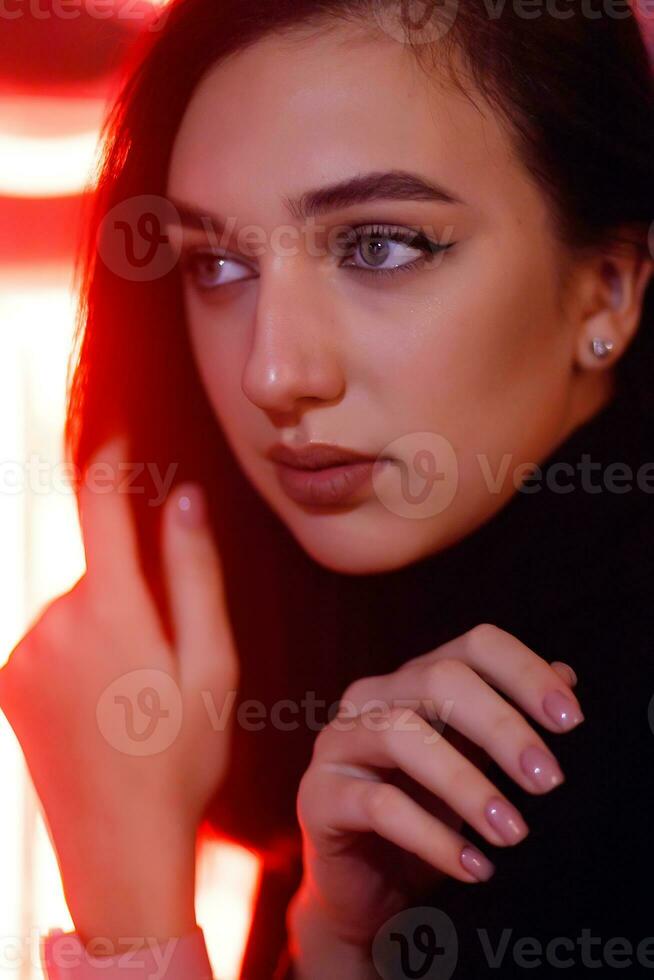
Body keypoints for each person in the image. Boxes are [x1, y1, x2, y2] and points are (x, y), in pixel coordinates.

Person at [0, 0, 653, 977]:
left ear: (606, 285)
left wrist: (131, 901)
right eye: (218, 262)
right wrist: (335, 940)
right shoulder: (386, 698)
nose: (274, 372)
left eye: (378, 245)